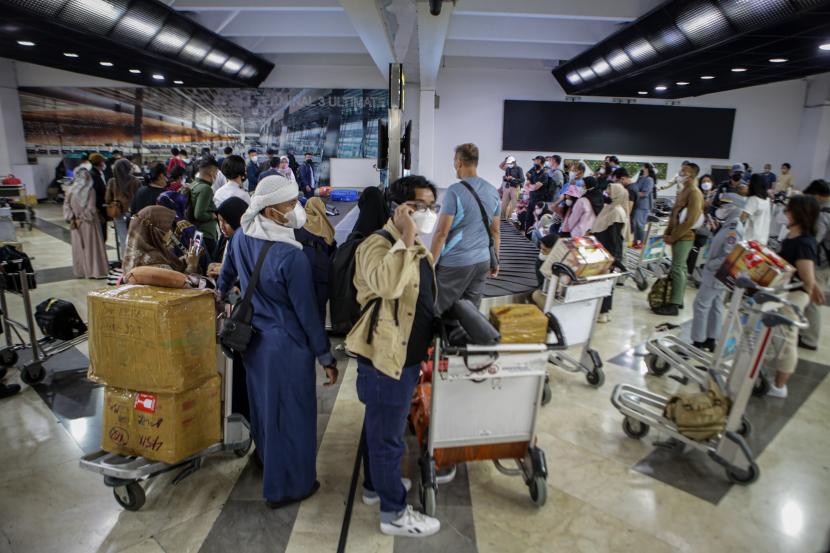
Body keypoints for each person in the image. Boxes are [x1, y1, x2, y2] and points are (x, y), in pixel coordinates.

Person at [218, 175, 338, 507]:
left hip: (254, 346)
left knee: (265, 410)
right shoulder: (291, 257)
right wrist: (326, 357)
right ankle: (288, 487)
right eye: (290, 204)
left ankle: (267, 461)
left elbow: (225, 279)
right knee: (293, 416)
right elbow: (307, 316)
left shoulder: (241, 236)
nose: (297, 209)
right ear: (272, 212)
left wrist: (232, 295)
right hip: (287, 349)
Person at [345, 175, 441, 538]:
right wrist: (405, 236)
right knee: (388, 437)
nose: (427, 213)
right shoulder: (376, 244)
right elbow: (387, 285)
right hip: (386, 359)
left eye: (432, 206)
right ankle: (394, 513)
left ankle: (374, 486)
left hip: (404, 355)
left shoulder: (411, 243)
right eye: (420, 207)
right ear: (400, 209)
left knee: (380, 428)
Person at [765, 195, 825, 398]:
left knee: (787, 339)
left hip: (794, 296)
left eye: (789, 209)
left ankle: (779, 386)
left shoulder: (804, 242)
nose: (785, 212)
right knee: (775, 337)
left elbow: (807, 278)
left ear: (799, 213)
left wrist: (811, 289)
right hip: (784, 292)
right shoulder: (791, 236)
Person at [431, 143, 500, 314]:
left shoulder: (454, 191)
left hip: (455, 263)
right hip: (483, 261)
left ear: (459, 162)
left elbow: (441, 233)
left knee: (439, 310)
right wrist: (496, 260)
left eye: (454, 161)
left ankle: (439, 341)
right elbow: (496, 231)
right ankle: (463, 341)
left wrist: (430, 262)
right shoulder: (493, 191)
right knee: (469, 313)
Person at [690, 194, 745, 351]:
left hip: (716, 273)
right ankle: (711, 339)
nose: (721, 208)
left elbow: (729, 255)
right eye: (721, 205)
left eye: (726, 205)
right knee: (716, 305)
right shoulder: (728, 225)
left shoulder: (734, 228)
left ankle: (698, 341)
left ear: (736, 208)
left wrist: (710, 265)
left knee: (701, 304)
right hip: (717, 273)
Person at [655, 163, 703, 316]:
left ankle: (674, 305)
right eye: (681, 169)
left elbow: (690, 220)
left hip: (684, 236)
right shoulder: (685, 190)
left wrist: (674, 236)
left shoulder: (694, 192)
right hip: (677, 235)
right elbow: (675, 215)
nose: (680, 173)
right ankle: (678, 300)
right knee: (680, 268)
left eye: (684, 171)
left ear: (691, 175)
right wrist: (668, 232)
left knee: (676, 268)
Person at [121, 206, 200, 275]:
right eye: (168, 229)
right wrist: (192, 266)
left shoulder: (132, 253)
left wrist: (183, 260)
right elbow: (185, 286)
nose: (171, 234)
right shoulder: (158, 266)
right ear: (155, 232)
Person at [592, 181, 629, 323]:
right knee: (602, 282)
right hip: (602, 251)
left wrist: (614, 259)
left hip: (608, 253)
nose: (606, 192)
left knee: (606, 283)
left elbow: (615, 239)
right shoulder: (610, 208)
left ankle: (604, 312)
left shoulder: (617, 212)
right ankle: (601, 310)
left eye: (609, 190)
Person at [799, 179, 830, 351]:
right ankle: (806, 333)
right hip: (825, 262)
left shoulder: (823, 214)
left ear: (817, 196)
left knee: (813, 299)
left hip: (819, 263)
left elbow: (813, 240)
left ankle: (810, 339)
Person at [295, 197, 337, 321]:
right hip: (321, 270)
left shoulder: (299, 223)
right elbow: (332, 247)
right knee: (319, 306)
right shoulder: (325, 225)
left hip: (301, 267)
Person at [63, 168, 109, 279]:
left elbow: (66, 206)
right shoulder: (90, 190)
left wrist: (73, 219)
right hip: (89, 223)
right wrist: (82, 218)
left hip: (75, 225)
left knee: (79, 248)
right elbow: (91, 209)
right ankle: (94, 271)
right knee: (92, 248)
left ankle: (82, 271)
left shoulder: (70, 190)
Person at [105, 158, 141, 256]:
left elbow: (107, 199)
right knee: (135, 238)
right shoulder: (135, 181)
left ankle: (126, 261)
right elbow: (139, 197)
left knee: (123, 238)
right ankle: (136, 259)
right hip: (133, 213)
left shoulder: (112, 182)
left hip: (118, 212)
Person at [208, 196, 248, 278]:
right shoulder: (224, 239)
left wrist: (226, 270)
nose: (221, 226)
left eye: (226, 222)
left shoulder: (248, 244)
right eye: (219, 220)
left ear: (237, 220)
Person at [188, 159, 220, 257]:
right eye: (216, 172)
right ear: (211, 172)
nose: (217, 175)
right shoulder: (206, 189)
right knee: (209, 263)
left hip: (197, 232)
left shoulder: (193, 184)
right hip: (206, 233)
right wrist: (213, 216)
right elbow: (199, 214)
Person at [686, 174, 716, 275]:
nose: (706, 183)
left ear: (712, 183)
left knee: (703, 249)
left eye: (708, 181)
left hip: (708, 227)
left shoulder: (715, 195)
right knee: (693, 248)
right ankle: (690, 269)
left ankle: (698, 269)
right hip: (695, 225)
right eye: (703, 181)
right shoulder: (697, 194)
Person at [740, 173, 772, 245]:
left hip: (751, 238)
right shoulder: (767, 199)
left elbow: (742, 218)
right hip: (763, 238)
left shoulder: (753, 199)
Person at [629, 163, 655, 248]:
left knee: (640, 225)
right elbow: (635, 188)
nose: (642, 168)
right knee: (635, 224)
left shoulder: (649, 179)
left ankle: (641, 243)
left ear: (647, 168)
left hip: (643, 206)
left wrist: (634, 193)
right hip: (637, 204)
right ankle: (635, 241)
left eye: (643, 167)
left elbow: (645, 193)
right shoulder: (640, 178)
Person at [524, 156, 552, 231]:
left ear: (540, 162)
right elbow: (526, 185)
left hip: (539, 201)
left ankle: (534, 238)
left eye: (536, 161)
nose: (534, 163)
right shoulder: (533, 172)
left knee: (536, 220)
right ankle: (527, 235)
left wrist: (531, 187)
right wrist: (530, 187)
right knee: (528, 218)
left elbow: (535, 187)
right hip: (531, 199)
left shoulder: (544, 174)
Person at [89, 153, 109, 242]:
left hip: (99, 208)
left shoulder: (96, 173)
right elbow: (96, 194)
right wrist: (102, 205)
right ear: (100, 163)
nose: (104, 164)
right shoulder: (94, 175)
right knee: (101, 235)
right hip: (98, 209)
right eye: (103, 161)